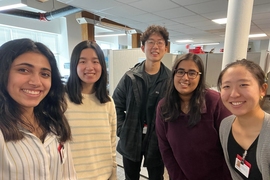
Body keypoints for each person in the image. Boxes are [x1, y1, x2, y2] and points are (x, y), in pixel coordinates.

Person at [0, 38, 77, 179]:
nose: (36, 82)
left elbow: (68, 175)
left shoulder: (54, 123)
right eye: (23, 70)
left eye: (45, 74)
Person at [155, 53, 232, 180]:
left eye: (192, 73)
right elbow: (165, 149)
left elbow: (229, 146)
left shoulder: (214, 102)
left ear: (200, 77)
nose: (185, 77)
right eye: (180, 71)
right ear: (174, 74)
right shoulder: (164, 107)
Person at [112, 25, 171, 180]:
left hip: (157, 141)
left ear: (166, 48)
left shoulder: (171, 80)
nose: (155, 46)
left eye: (160, 42)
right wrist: (122, 129)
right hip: (131, 137)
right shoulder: (130, 77)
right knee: (131, 177)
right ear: (143, 47)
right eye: (151, 42)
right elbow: (115, 104)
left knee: (156, 177)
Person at [65, 40, 117, 179]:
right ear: (74, 65)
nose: (90, 67)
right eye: (82, 61)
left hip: (103, 175)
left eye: (95, 61)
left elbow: (111, 142)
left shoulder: (108, 102)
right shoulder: (61, 100)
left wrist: (113, 174)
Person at [217, 59, 269, 179]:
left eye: (243, 85)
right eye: (226, 86)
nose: (234, 94)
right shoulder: (226, 125)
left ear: (262, 89)